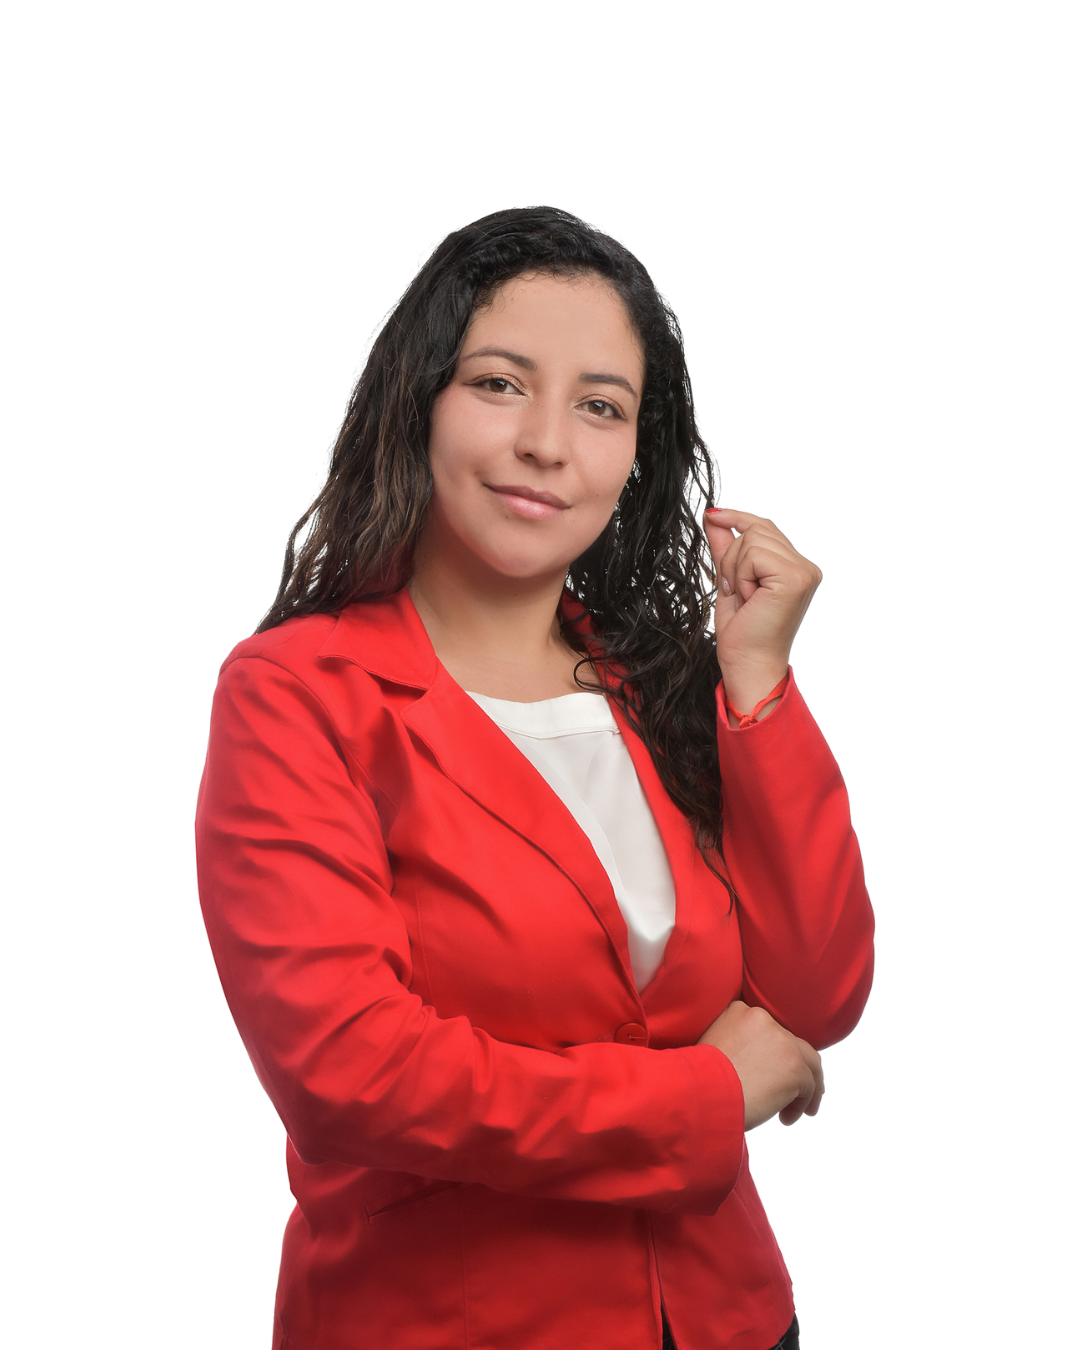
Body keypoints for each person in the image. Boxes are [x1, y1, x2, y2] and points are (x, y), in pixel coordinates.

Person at [194, 205, 875, 1350]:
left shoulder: (649, 684)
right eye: (500, 385)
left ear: (638, 453)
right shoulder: (297, 693)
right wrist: (703, 1099)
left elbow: (810, 1000)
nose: (548, 444)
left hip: (729, 1319)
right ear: (418, 401)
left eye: (600, 406)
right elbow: (351, 1075)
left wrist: (756, 679)